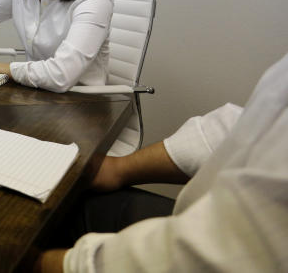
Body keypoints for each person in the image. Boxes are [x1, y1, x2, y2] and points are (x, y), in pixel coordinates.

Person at [36, 51, 288, 272]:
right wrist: (119, 168)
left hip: (229, 246)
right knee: (76, 203)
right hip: (226, 225)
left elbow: (231, 253)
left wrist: (48, 265)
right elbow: (243, 128)